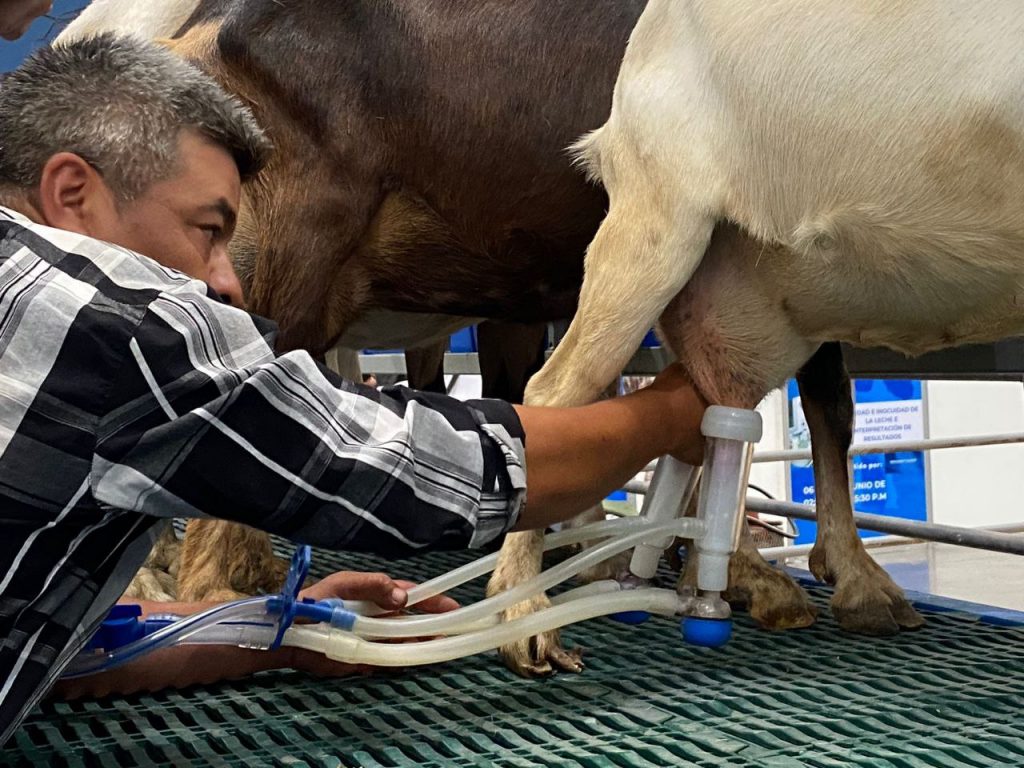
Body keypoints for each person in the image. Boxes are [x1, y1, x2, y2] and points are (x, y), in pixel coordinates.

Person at [0, 35, 707, 744]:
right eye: (206, 229)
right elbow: (429, 473)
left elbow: (71, 648)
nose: (227, 280)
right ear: (71, 193)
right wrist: (674, 409)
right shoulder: (113, 326)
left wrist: (281, 626)